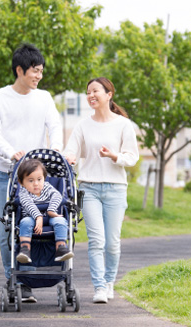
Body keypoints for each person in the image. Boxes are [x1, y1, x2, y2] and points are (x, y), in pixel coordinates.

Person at [0, 43, 63, 303]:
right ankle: (15, 279)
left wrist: (57, 151)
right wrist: (12, 152)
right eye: (35, 71)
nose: (39, 76)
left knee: (38, 226)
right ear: (19, 70)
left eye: (41, 71)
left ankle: (30, 280)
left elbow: (55, 125)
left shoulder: (44, 97)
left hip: (37, 178)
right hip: (7, 173)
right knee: (7, 228)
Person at [63, 77, 139, 304]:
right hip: (89, 188)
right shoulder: (82, 124)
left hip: (116, 189)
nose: (91, 96)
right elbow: (71, 151)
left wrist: (114, 156)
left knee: (112, 242)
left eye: (95, 91)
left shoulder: (124, 124)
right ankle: (98, 287)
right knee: (96, 240)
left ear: (109, 94)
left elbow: (132, 157)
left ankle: (108, 283)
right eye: (88, 92)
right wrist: (71, 157)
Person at [16, 159, 73, 264]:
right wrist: (38, 217)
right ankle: (25, 249)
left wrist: (51, 210)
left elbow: (57, 196)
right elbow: (28, 205)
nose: (36, 184)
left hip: (50, 216)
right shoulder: (23, 193)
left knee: (61, 221)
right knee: (25, 222)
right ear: (21, 182)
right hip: (32, 218)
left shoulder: (47, 187)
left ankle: (61, 248)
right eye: (30, 180)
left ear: (44, 178)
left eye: (39, 179)